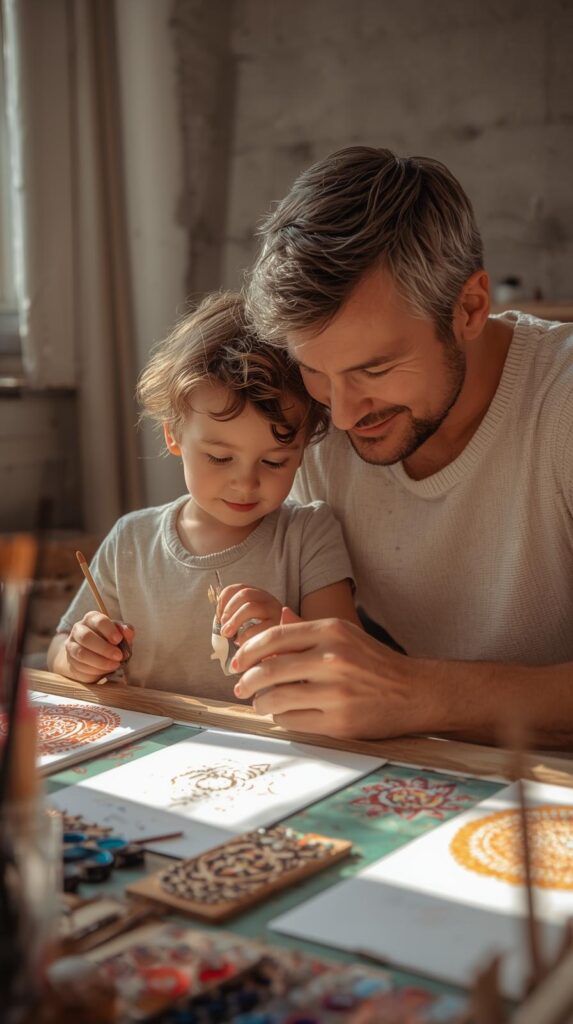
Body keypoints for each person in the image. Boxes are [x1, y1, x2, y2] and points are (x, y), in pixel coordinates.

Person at [231, 146, 573, 748]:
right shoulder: (313, 424)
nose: (338, 413)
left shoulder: (561, 404)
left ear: (468, 307)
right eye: (314, 370)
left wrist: (414, 693)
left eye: (375, 368)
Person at [47, 292, 358, 699]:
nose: (245, 484)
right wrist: (78, 656)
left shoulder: (309, 535)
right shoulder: (131, 542)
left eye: (275, 462)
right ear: (173, 436)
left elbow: (347, 665)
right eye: (219, 457)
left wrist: (288, 635)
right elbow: (59, 648)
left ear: (302, 452)